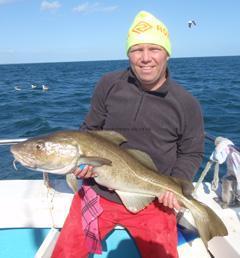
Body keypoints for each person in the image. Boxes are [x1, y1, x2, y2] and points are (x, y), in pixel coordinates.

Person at [52, 10, 204, 258]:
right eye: (137, 50)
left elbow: (191, 151)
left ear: (167, 53)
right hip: (98, 193)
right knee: (65, 253)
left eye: (154, 49)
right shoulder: (108, 85)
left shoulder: (186, 104)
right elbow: (89, 131)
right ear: (128, 54)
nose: (145, 58)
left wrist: (175, 183)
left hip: (154, 199)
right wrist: (82, 166)